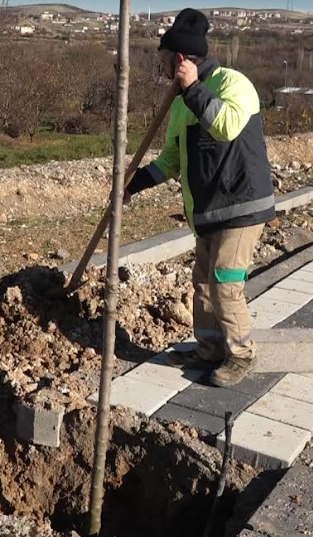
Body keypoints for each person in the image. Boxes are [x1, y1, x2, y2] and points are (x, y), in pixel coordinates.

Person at [124, 8, 276, 387]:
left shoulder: (233, 84)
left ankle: (241, 354)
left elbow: (225, 127)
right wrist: (134, 183)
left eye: (163, 62)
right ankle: (209, 348)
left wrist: (193, 89)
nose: (160, 70)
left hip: (240, 207)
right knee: (204, 283)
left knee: (225, 282)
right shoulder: (179, 104)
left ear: (179, 59)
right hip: (207, 210)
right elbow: (172, 161)